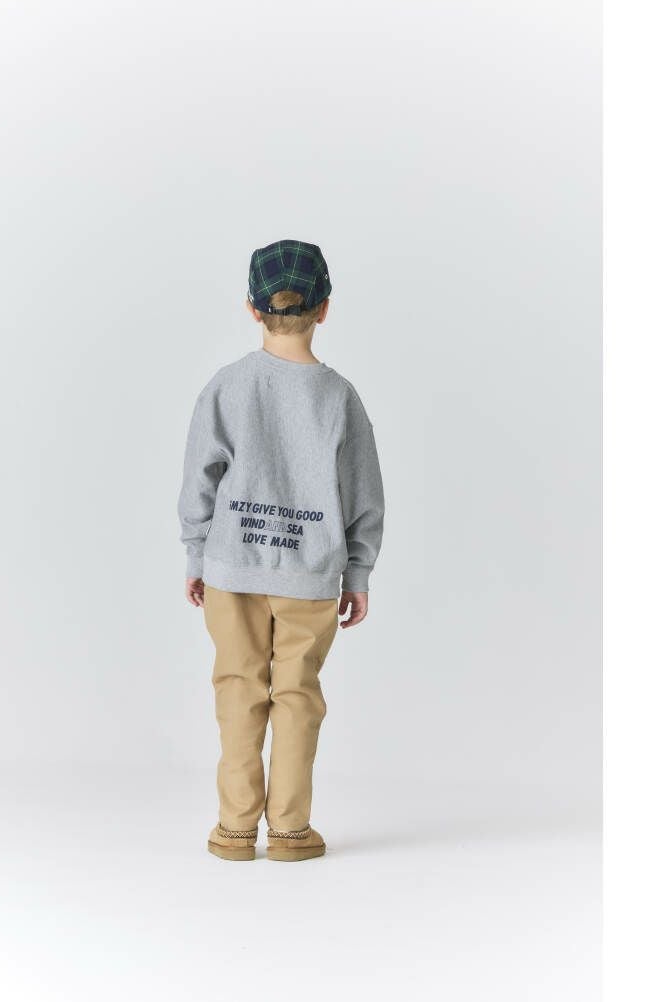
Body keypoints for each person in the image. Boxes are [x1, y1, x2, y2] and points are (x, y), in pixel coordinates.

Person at [177, 239, 385, 862]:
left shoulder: (227, 386)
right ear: (325, 307)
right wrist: (358, 572)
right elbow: (363, 492)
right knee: (296, 697)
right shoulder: (340, 397)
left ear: (252, 307)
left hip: (232, 570)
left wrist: (196, 555)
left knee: (238, 690)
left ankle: (235, 830)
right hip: (311, 574)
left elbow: (200, 479)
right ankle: (291, 831)